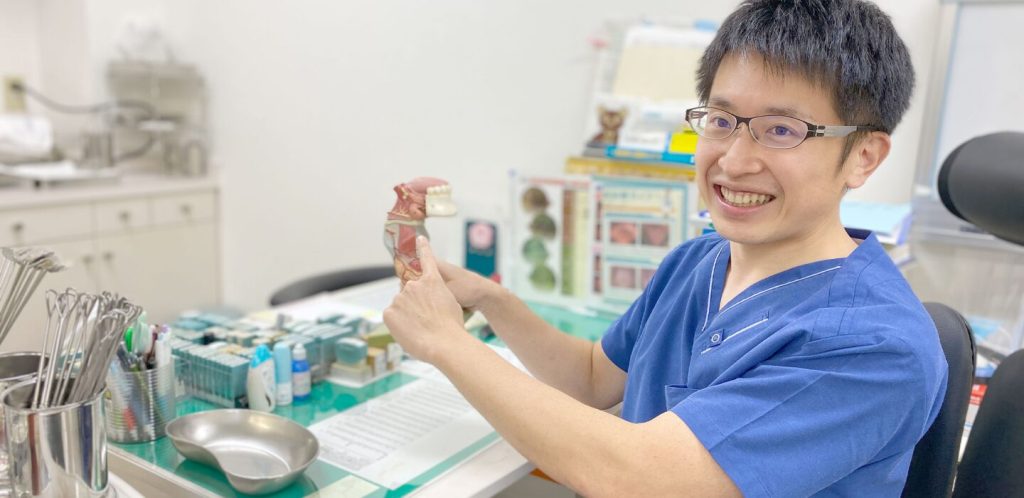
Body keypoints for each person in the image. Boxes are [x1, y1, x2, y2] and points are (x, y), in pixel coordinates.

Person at [383, 1, 947, 496]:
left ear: (864, 157)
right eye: (722, 120)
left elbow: (640, 479)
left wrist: (445, 342)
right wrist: (490, 300)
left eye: (781, 130)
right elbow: (590, 379)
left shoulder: (874, 347)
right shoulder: (696, 263)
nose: (733, 161)